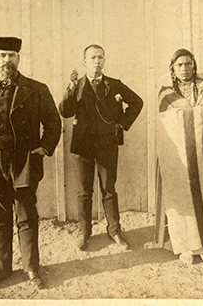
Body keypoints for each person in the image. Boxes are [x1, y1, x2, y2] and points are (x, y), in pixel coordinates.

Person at [0, 37, 62, 290]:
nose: (7, 60)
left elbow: (53, 123)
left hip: (23, 162)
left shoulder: (36, 89)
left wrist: (44, 148)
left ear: (19, 59)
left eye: (12, 55)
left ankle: (31, 268)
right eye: (2, 55)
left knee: (27, 216)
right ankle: (1, 270)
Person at [59, 44, 143, 251]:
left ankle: (114, 230)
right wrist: (70, 89)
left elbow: (137, 102)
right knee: (84, 191)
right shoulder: (76, 85)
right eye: (93, 58)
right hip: (83, 145)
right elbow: (65, 112)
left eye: (100, 58)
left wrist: (121, 124)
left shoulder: (114, 85)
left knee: (108, 189)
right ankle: (84, 232)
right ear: (84, 61)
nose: (97, 61)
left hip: (107, 144)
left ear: (104, 61)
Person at [155, 48, 203, 264]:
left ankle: (201, 244)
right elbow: (166, 118)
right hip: (176, 157)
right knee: (180, 198)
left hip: (200, 153)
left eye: (188, 64)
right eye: (179, 65)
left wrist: (188, 116)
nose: (184, 69)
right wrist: (190, 116)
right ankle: (184, 245)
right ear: (173, 69)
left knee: (201, 194)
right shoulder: (165, 90)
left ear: (194, 65)